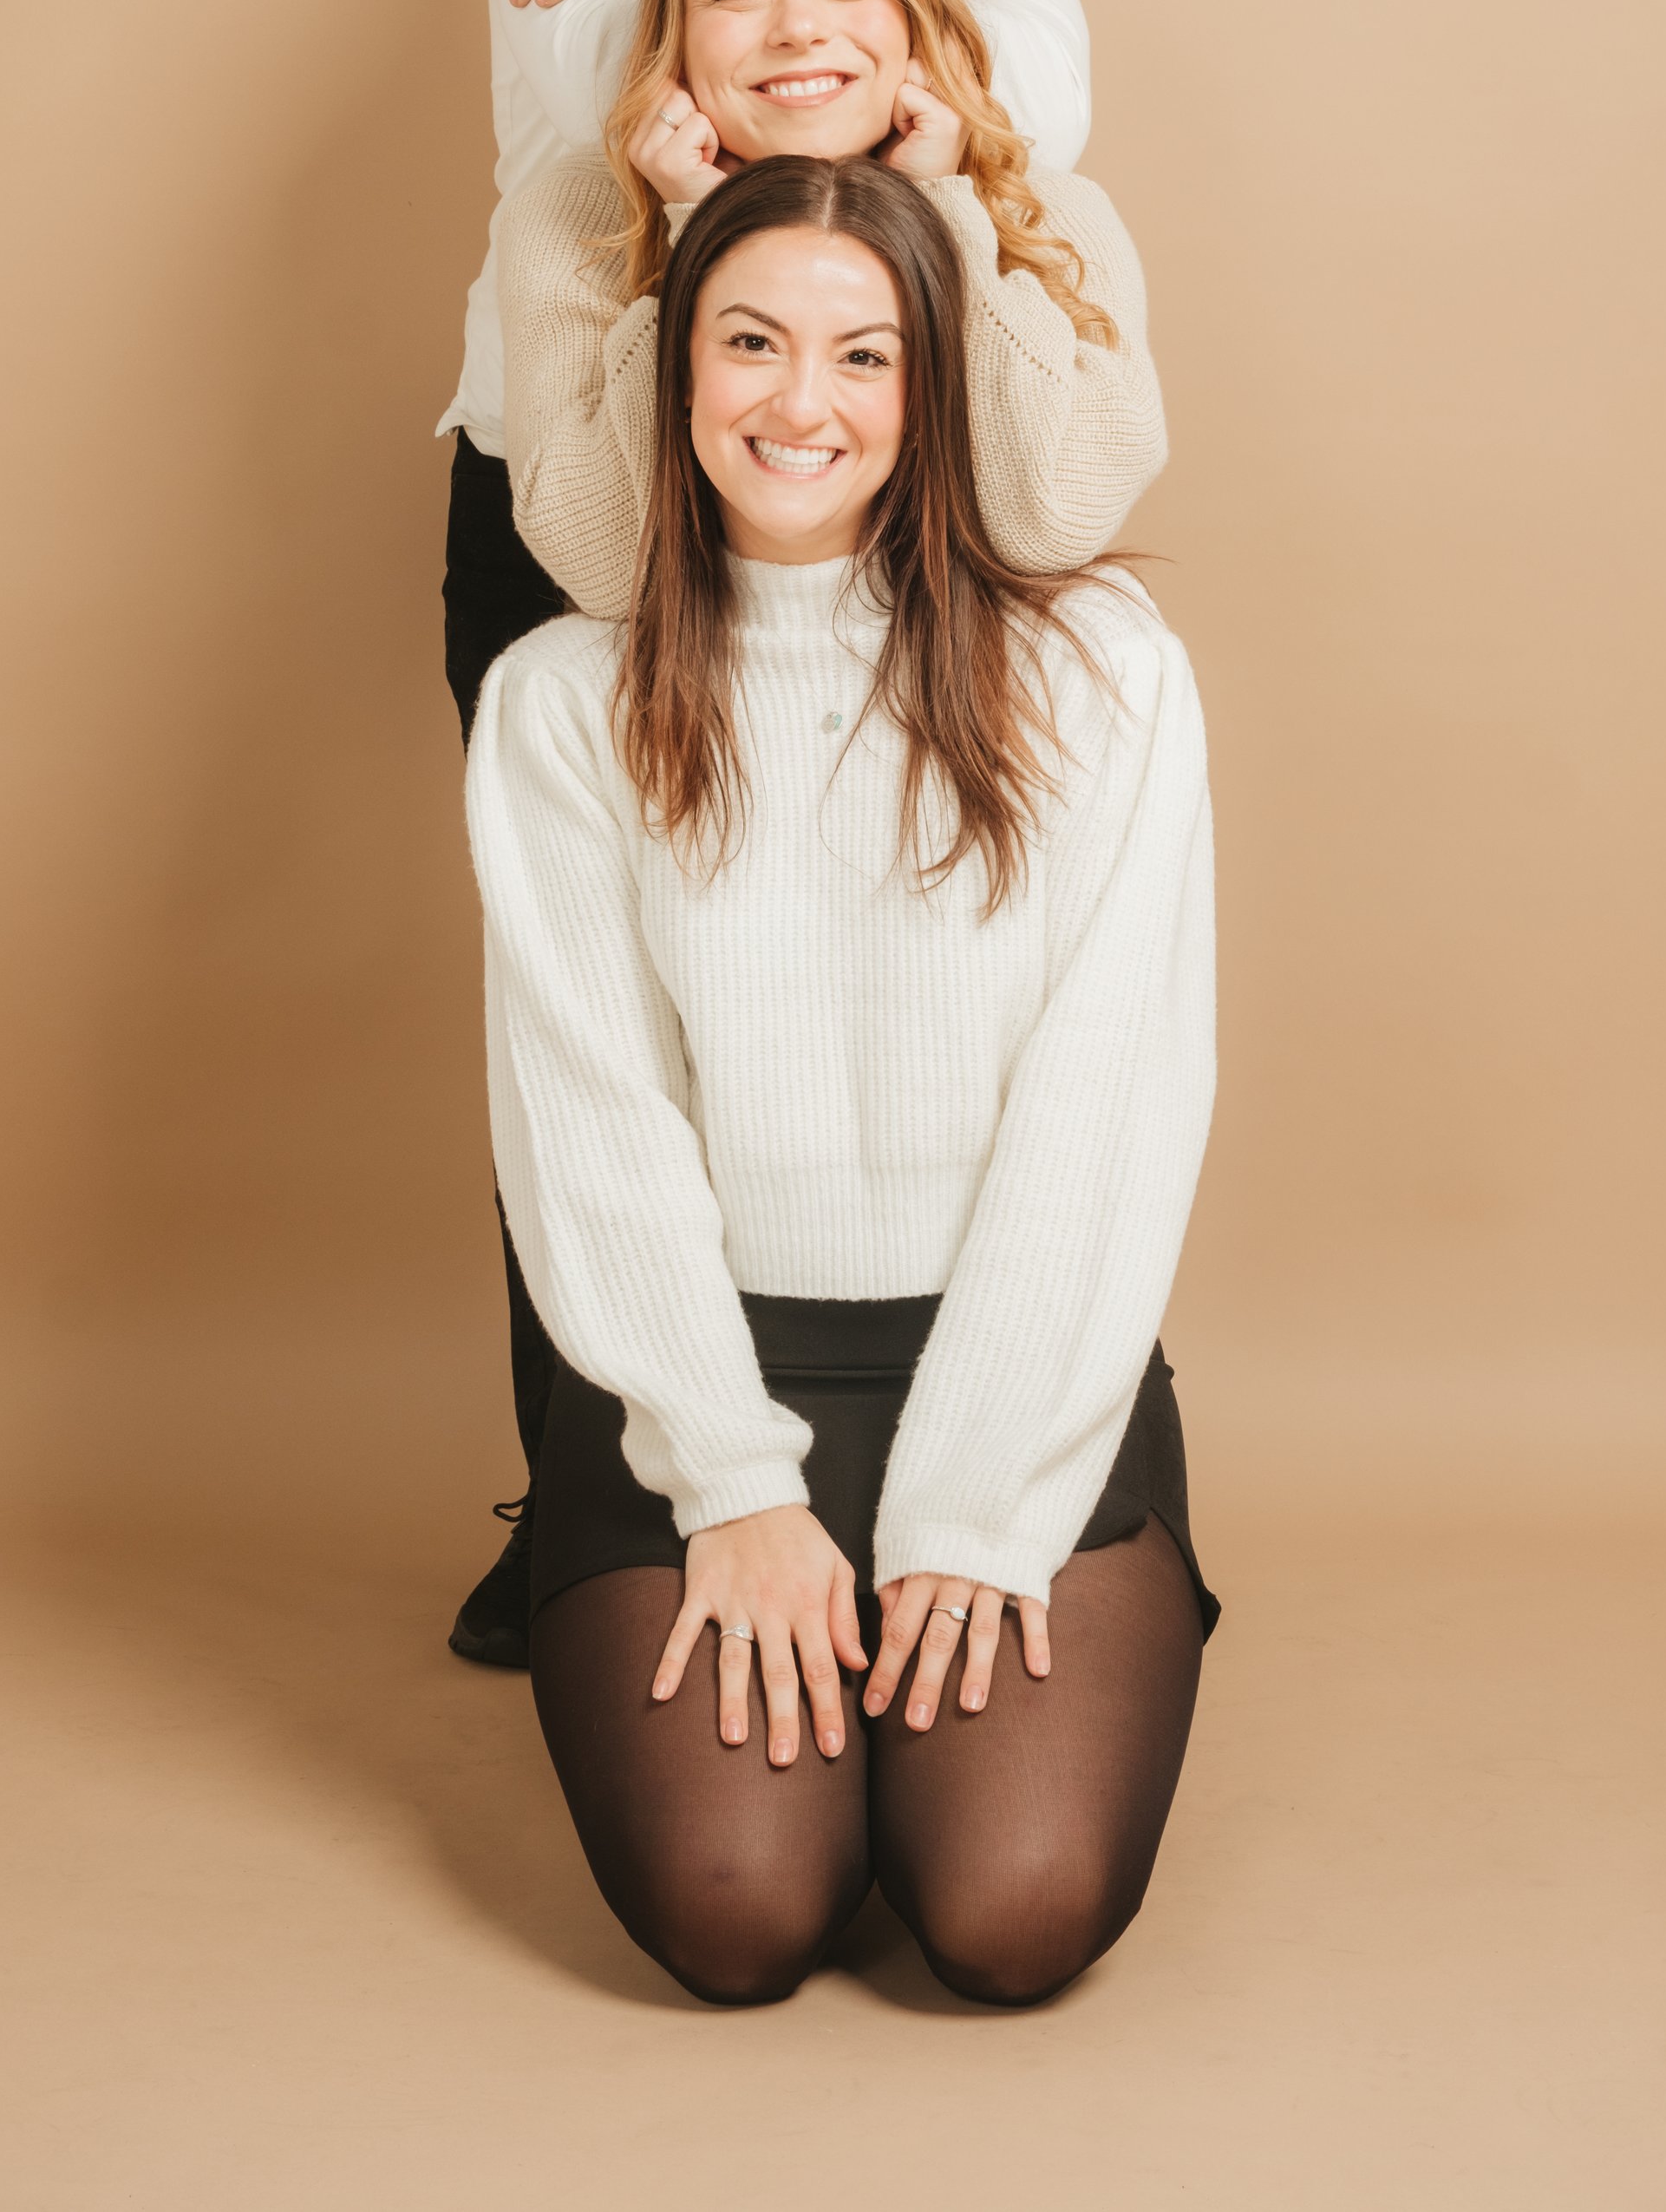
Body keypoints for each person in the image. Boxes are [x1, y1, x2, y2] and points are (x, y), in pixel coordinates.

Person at [445, 0, 1100, 1666]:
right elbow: (602, 108)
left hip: (872, 456)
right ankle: (599, 1494)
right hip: (585, 454)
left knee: (876, 965)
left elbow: (1028, 125)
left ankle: (949, 1455)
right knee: (595, 989)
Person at [466, 154, 1217, 2007]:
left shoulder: (1103, 676)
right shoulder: (564, 700)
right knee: (737, 1912)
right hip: (696, 1381)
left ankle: (974, 1608)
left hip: (1018, 1363)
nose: (800, 402)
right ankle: (742, 1571)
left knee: (1008, 1916)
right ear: (677, 372)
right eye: (750, 342)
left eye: (863, 356)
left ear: (927, 389)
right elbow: (591, 1127)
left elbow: (1106, 1109)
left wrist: (971, 1505)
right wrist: (728, 1483)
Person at [497, 0, 1164, 620]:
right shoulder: (575, 221)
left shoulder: (1049, 217)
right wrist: (698, 230)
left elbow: (1048, 524)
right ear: (675, 33)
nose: (800, 30)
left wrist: (941, 216)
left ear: (915, 11)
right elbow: (610, 567)